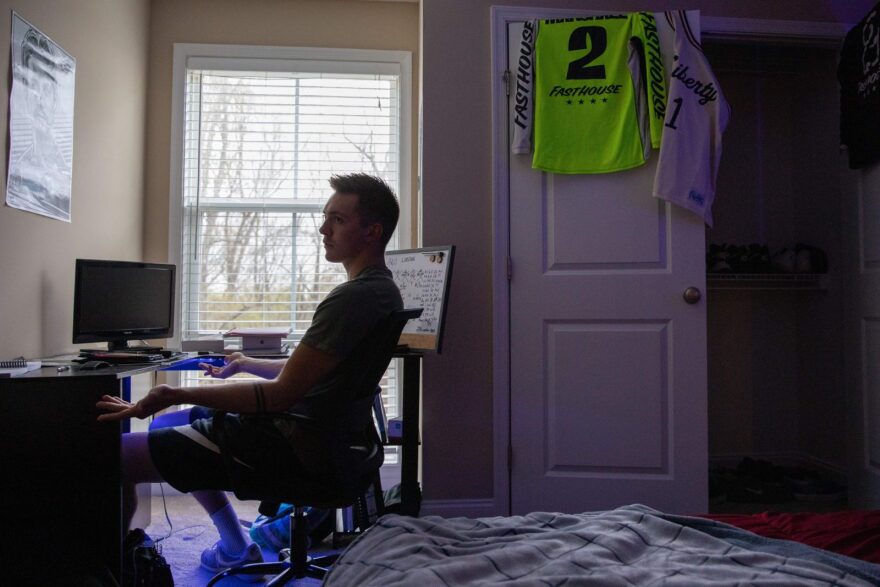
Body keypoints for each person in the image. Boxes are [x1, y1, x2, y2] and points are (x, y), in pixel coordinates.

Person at [96, 173, 403, 575]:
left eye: (338, 220)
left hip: (286, 445)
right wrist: (246, 364)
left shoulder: (351, 298)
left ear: (372, 231)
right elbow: (310, 374)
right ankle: (235, 545)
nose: (323, 229)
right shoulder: (381, 291)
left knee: (120, 457)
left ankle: (112, 574)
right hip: (324, 442)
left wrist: (178, 394)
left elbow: (279, 397)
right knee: (169, 425)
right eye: (325, 217)